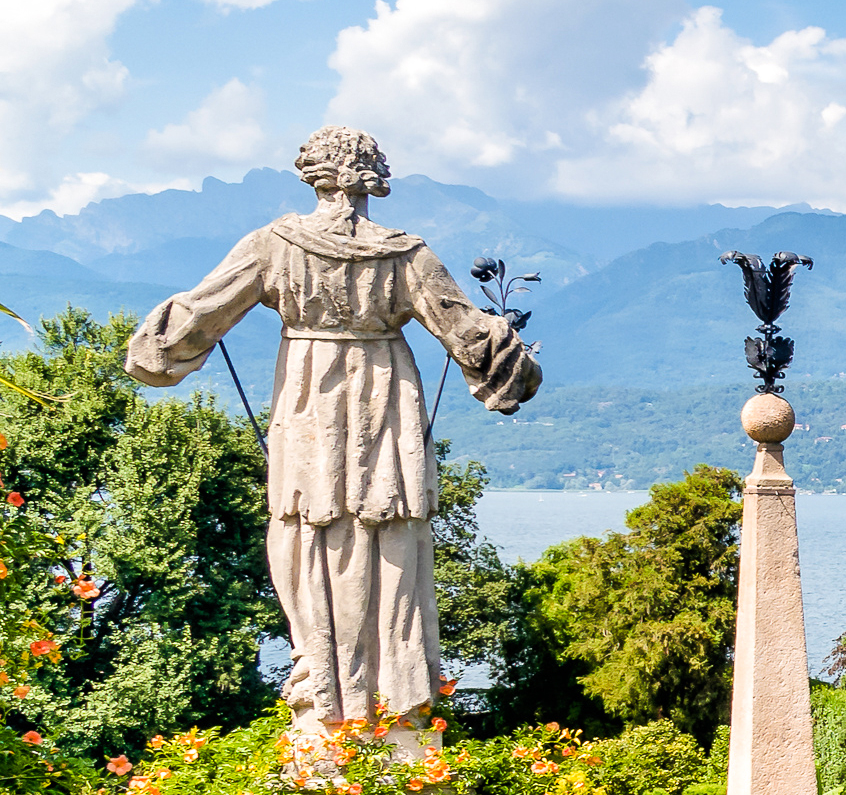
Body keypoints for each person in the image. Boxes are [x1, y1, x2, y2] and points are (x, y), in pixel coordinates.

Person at [120, 125, 539, 735]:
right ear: (373, 178)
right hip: (384, 396)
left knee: (306, 529)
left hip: (309, 397)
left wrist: (157, 350)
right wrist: (514, 363)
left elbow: (199, 314)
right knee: (391, 526)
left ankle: (320, 686)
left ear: (313, 174)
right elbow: (469, 335)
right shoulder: (404, 255)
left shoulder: (274, 245)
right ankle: (397, 692)